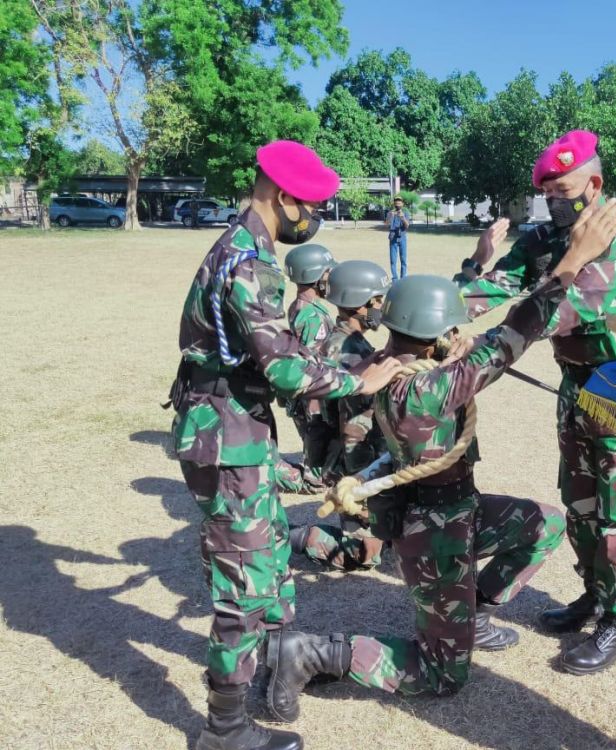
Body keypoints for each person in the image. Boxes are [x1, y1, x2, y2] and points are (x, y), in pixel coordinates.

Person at [265, 200, 616, 713]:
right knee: (441, 673)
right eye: (449, 329)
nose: (458, 334)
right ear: (434, 337)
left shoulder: (390, 362)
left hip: (459, 510)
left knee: (542, 524)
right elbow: (510, 338)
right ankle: (310, 652)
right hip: (433, 534)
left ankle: (469, 612)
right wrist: (570, 264)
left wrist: (474, 273)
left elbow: (460, 344)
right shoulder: (422, 390)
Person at [168, 140, 401, 750]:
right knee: (243, 585)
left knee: (269, 552)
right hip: (225, 437)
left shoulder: (248, 250)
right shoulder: (250, 262)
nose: (315, 217)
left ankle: (280, 662)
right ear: (282, 195)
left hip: (239, 428)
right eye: (313, 205)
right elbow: (287, 371)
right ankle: (224, 730)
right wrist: (362, 379)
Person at [456, 130, 616, 675]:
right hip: (576, 386)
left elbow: (564, 308)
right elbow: (504, 281)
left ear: (594, 185)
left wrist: (487, 342)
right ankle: (593, 595)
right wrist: (448, 308)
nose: (553, 198)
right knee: (581, 499)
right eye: (546, 189)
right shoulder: (548, 237)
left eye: (563, 187)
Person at [289, 259, 392, 572]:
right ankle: (284, 536)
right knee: (367, 552)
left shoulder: (343, 340)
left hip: (347, 461)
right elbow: (354, 431)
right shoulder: (348, 351)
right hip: (353, 465)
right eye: (377, 301)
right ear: (360, 305)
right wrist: (362, 481)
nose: (380, 307)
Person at [282, 243, 340, 486]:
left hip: (303, 395)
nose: (331, 277)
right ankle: (304, 476)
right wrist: (316, 411)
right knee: (318, 466)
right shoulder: (314, 317)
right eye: (327, 272)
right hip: (312, 398)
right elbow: (312, 365)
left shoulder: (300, 306)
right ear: (314, 276)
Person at [385, 196, 411, 280]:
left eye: (399, 203)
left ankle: (403, 278)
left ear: (402, 204)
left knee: (403, 260)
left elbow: (407, 226)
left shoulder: (405, 213)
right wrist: (390, 216)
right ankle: (395, 279)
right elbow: (386, 224)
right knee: (393, 260)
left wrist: (402, 218)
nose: (398, 204)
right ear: (394, 204)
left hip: (402, 237)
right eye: (396, 203)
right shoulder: (390, 213)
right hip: (393, 238)